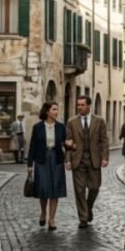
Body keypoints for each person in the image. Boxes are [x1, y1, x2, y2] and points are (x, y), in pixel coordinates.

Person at [65, 95, 109, 228]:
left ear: (89, 106)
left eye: (82, 105)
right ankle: (83, 218)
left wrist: (105, 157)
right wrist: (68, 159)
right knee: (79, 190)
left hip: (94, 159)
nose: (79, 107)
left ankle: (88, 207)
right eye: (78, 105)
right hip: (78, 159)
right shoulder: (72, 122)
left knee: (95, 187)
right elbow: (68, 141)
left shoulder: (99, 121)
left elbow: (104, 141)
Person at [27, 102, 67, 231]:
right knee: (43, 189)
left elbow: (65, 143)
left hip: (56, 159)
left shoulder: (61, 127)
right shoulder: (37, 127)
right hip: (41, 159)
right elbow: (32, 146)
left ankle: (52, 219)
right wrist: (29, 164)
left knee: (55, 190)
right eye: (54, 109)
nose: (56, 112)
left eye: (57, 109)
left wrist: (70, 148)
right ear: (47, 111)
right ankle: (43, 212)